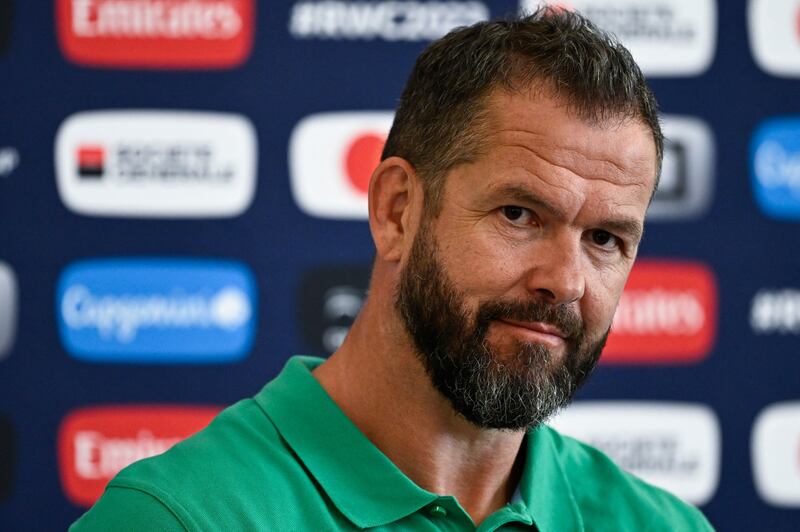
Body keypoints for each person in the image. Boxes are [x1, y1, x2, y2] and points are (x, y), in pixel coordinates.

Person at [71, 8, 714, 531]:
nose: (566, 281)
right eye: (519, 214)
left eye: (604, 238)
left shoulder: (665, 527)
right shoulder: (175, 520)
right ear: (397, 211)